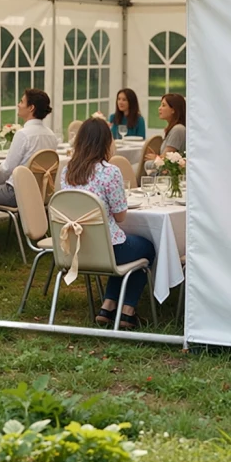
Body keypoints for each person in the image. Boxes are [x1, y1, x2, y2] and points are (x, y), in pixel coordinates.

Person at [58, 118, 155, 330]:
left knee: (125, 248)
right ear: (106, 142)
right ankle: (127, 311)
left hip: (76, 247)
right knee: (146, 248)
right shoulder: (109, 172)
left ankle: (108, 306)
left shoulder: (67, 171)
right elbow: (120, 217)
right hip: (106, 249)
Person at [0, 88, 59, 250]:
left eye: (21, 101)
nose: (18, 105)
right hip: (42, 193)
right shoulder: (51, 135)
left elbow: (7, 169)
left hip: (17, 193)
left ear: (31, 108)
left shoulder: (23, 134)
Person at [146, 93, 186, 159]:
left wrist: (156, 157)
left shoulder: (178, 129)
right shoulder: (174, 129)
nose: (159, 108)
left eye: (163, 105)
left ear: (173, 110)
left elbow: (166, 160)